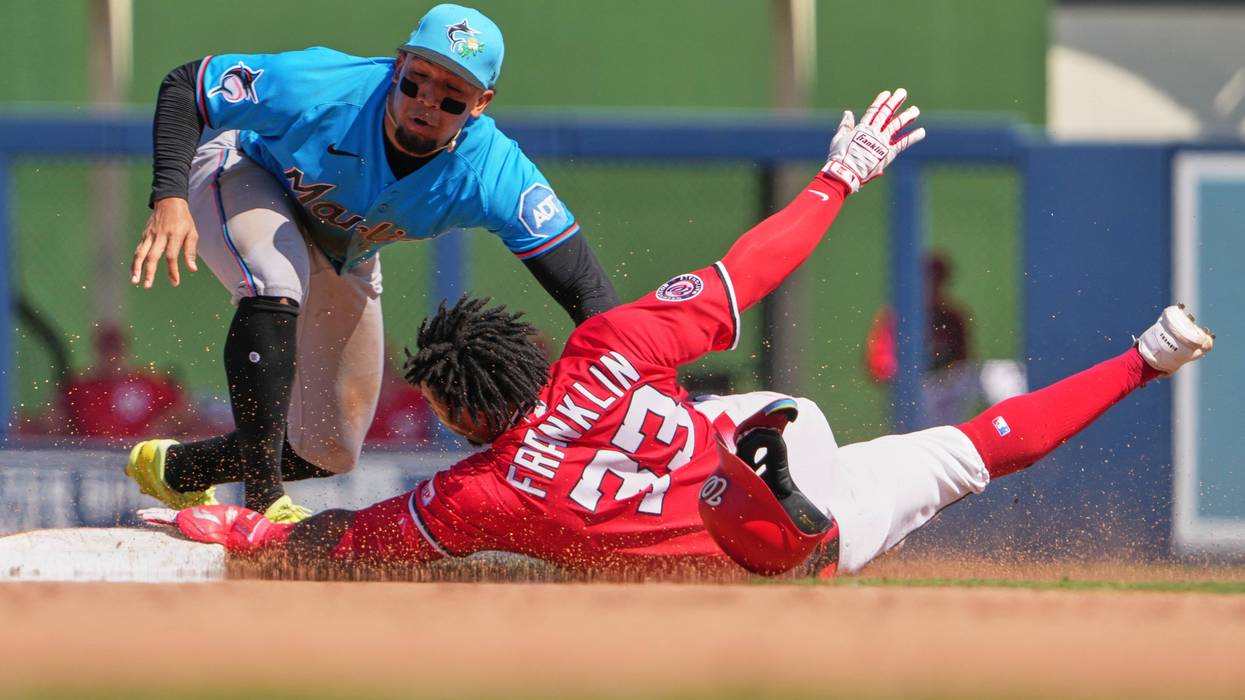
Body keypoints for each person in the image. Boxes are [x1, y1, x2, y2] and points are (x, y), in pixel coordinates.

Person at [144, 89, 1214, 579]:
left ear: (464, 417)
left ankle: (762, 503)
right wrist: (839, 179)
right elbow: (750, 271)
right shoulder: (606, 343)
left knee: (905, 482)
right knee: (962, 446)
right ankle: (1143, 359)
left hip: (787, 550)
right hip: (769, 436)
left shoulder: (475, 493)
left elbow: (343, 542)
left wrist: (242, 530)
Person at [124, 4, 619, 523]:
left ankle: (176, 470)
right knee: (274, 279)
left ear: (481, 103)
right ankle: (262, 504)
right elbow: (189, 85)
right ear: (399, 63)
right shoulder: (326, 85)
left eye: (452, 93)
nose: (427, 100)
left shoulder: (495, 171)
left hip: (344, 248)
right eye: (417, 79)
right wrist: (170, 197)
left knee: (329, 448)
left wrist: (639, 382)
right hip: (246, 171)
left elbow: (587, 289)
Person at [865, 251, 979, 425]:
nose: (932, 286)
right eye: (926, 280)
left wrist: (941, 369)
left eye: (937, 280)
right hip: (910, 392)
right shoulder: (895, 315)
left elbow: (964, 363)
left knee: (987, 376)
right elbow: (879, 366)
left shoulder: (952, 316)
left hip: (947, 389)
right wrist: (910, 371)